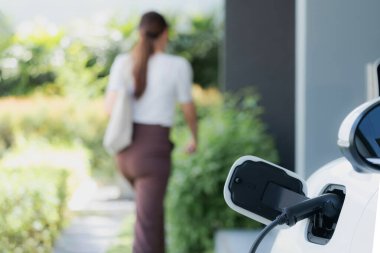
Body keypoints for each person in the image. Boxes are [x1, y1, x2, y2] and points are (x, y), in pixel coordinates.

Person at [104, 11, 198, 253]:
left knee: (152, 218)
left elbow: (109, 109)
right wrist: (194, 137)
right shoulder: (177, 66)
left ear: (140, 33)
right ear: (165, 34)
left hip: (125, 153)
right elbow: (188, 109)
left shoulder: (122, 63)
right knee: (147, 224)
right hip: (153, 154)